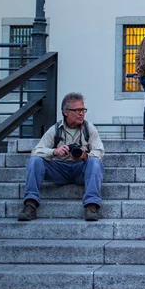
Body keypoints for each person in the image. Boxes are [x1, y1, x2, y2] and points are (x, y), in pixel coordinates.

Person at [18, 93, 105, 222]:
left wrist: (85, 156)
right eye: (77, 110)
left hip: (80, 170)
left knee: (95, 162)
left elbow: (100, 151)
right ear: (65, 112)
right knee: (35, 161)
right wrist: (54, 152)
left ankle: (91, 206)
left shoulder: (89, 128)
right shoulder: (55, 130)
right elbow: (36, 151)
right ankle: (30, 205)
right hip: (59, 170)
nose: (81, 113)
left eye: (83, 110)